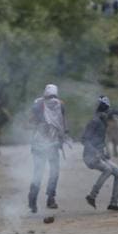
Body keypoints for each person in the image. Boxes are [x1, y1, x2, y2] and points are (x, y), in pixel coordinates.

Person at [82, 96, 118, 211]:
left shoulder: (104, 116)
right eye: (105, 111)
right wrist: (96, 152)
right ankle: (92, 196)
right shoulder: (94, 122)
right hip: (90, 156)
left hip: (100, 156)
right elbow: (84, 140)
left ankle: (113, 203)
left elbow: (116, 110)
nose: (107, 114)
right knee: (108, 169)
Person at [28, 84, 68, 212]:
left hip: (40, 144)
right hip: (52, 144)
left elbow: (30, 121)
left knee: (38, 173)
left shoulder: (38, 104)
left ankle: (33, 202)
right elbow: (63, 124)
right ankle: (50, 199)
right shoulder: (60, 105)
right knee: (54, 172)